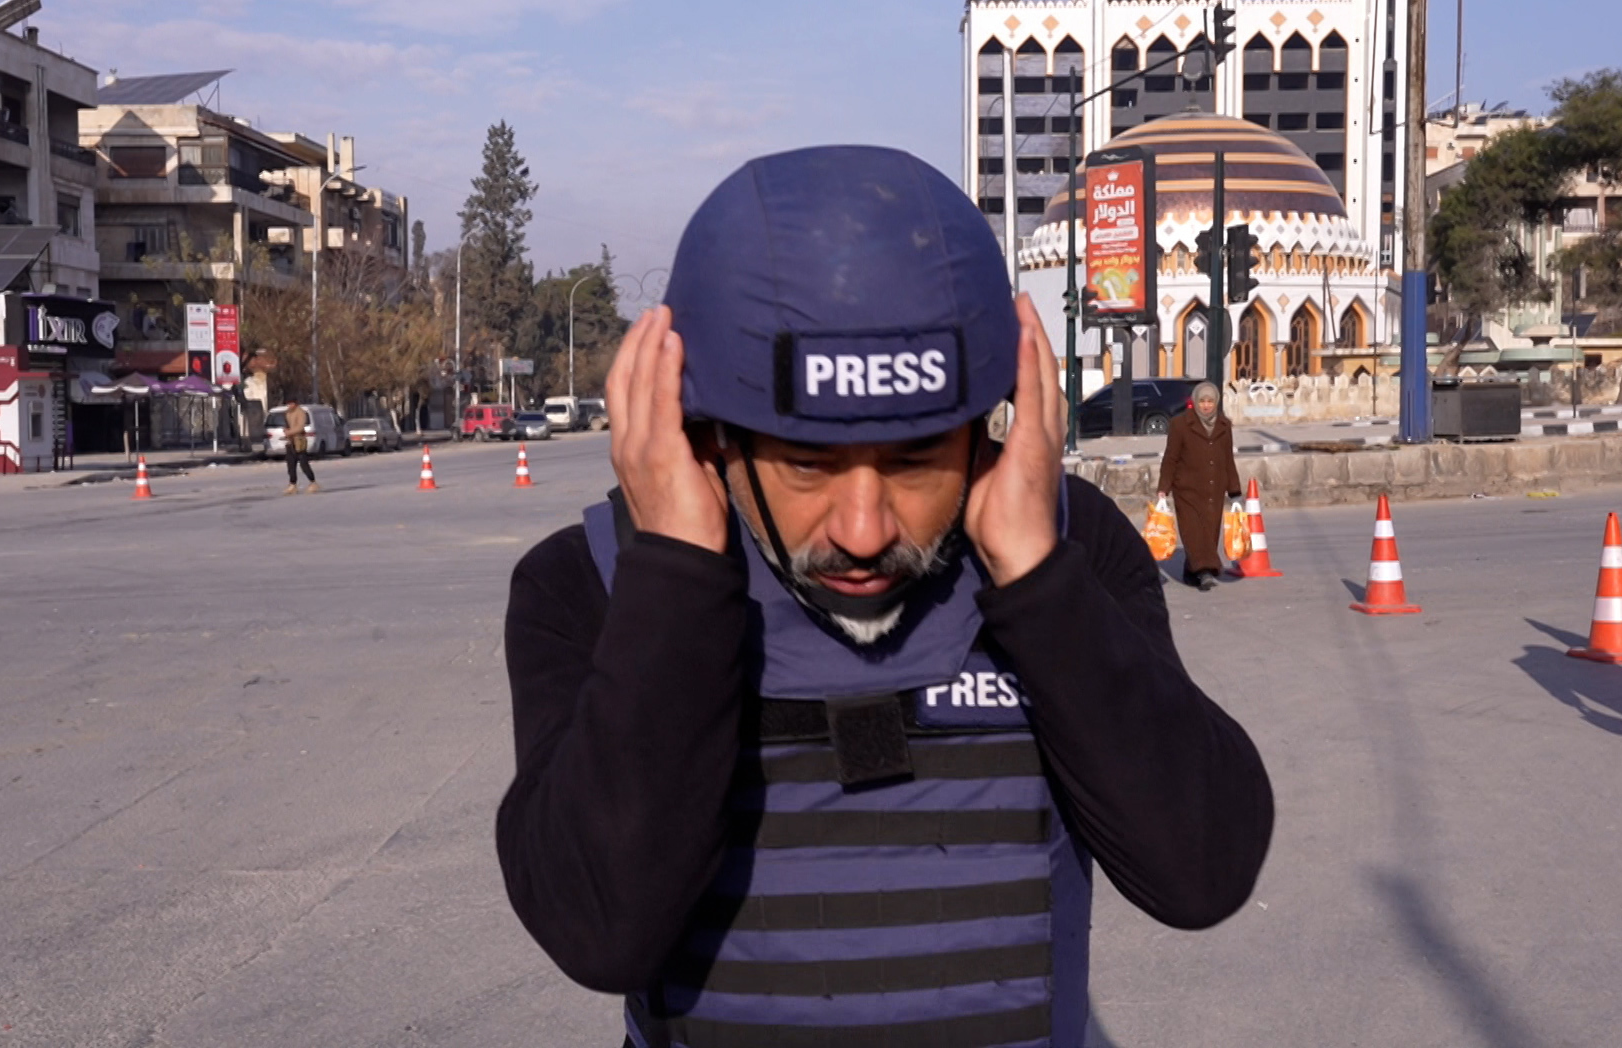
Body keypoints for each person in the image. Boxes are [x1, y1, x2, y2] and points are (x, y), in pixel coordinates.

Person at [496, 146, 1273, 1047]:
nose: (863, 531)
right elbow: (600, 930)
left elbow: (1201, 873)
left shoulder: (1068, 547)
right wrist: (674, 577)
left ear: (986, 429)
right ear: (705, 434)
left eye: (914, 462)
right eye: (805, 466)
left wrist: (1037, 577)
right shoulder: (593, 583)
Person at [1155, 382, 1242, 590]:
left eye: (1210, 401)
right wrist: (1163, 488)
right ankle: (1205, 572)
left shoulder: (1224, 425)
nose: (1206, 405)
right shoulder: (1180, 424)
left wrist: (1234, 490)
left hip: (1214, 488)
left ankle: (1191, 571)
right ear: (1195, 402)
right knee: (1193, 532)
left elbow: (1227, 459)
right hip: (1187, 489)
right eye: (1202, 401)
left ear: (1216, 402)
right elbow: (1171, 458)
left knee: (1209, 533)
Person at [283, 399, 318, 495]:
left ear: (295, 404)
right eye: (288, 404)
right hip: (290, 441)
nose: (289, 405)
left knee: (303, 463)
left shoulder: (300, 412)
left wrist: (289, 432)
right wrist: (286, 430)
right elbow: (287, 425)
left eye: (291, 403)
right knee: (291, 464)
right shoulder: (287, 413)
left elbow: (300, 427)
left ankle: (313, 482)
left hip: (299, 441)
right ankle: (292, 484)